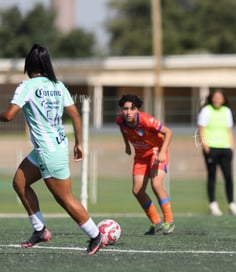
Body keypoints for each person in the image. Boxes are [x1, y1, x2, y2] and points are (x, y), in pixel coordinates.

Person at [0, 44, 106, 255]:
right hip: (52, 147)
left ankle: (96, 235)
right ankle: (40, 230)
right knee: (19, 183)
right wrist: (78, 143)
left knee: (65, 199)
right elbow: (75, 115)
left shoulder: (27, 86)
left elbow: (9, 116)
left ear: (28, 64)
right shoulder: (58, 86)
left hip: (49, 152)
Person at [116, 94, 175, 234]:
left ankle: (169, 221)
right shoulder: (120, 120)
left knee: (156, 184)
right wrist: (127, 144)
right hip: (141, 156)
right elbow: (123, 129)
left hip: (156, 151)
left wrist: (162, 152)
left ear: (138, 109)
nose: (128, 112)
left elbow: (168, 132)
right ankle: (156, 223)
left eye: (132, 108)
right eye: (125, 109)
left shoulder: (147, 120)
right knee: (137, 190)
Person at [197, 89, 236, 216]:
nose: (217, 99)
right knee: (212, 176)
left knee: (228, 176)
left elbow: (229, 130)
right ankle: (213, 204)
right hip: (211, 148)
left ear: (223, 99)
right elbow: (201, 129)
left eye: (219, 97)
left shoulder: (227, 111)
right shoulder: (206, 110)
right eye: (215, 97)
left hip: (225, 148)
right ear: (211, 98)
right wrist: (205, 145)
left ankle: (231, 204)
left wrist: (231, 146)